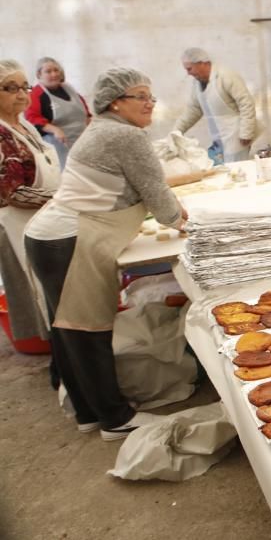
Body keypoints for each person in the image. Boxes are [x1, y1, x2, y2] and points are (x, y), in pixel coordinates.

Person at [24, 67, 185, 441]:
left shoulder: (102, 129)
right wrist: (179, 220)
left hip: (52, 236)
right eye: (140, 96)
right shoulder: (124, 135)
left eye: (151, 97)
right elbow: (155, 193)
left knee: (67, 331)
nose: (149, 104)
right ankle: (115, 419)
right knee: (87, 330)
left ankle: (88, 413)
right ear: (115, 101)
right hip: (70, 239)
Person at [0, 60, 61, 352]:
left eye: (24, 86)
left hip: (42, 219)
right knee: (36, 290)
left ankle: (63, 350)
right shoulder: (1, 134)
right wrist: (61, 199)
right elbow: (12, 192)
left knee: (51, 290)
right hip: (17, 224)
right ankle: (57, 357)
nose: (22, 94)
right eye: (10, 88)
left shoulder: (22, 125)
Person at [174, 47, 256, 163]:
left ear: (202, 63)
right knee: (224, 171)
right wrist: (176, 131)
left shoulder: (226, 76)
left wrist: (246, 132)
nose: (188, 73)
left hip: (236, 136)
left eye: (189, 69)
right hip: (218, 137)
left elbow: (246, 103)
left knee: (237, 170)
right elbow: (194, 109)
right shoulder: (197, 84)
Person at [25, 57, 91, 168]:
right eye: (48, 71)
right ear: (39, 74)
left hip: (82, 141)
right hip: (57, 144)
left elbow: (86, 113)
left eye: (56, 70)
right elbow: (32, 118)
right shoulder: (36, 94)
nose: (54, 74)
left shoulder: (69, 89)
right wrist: (55, 129)